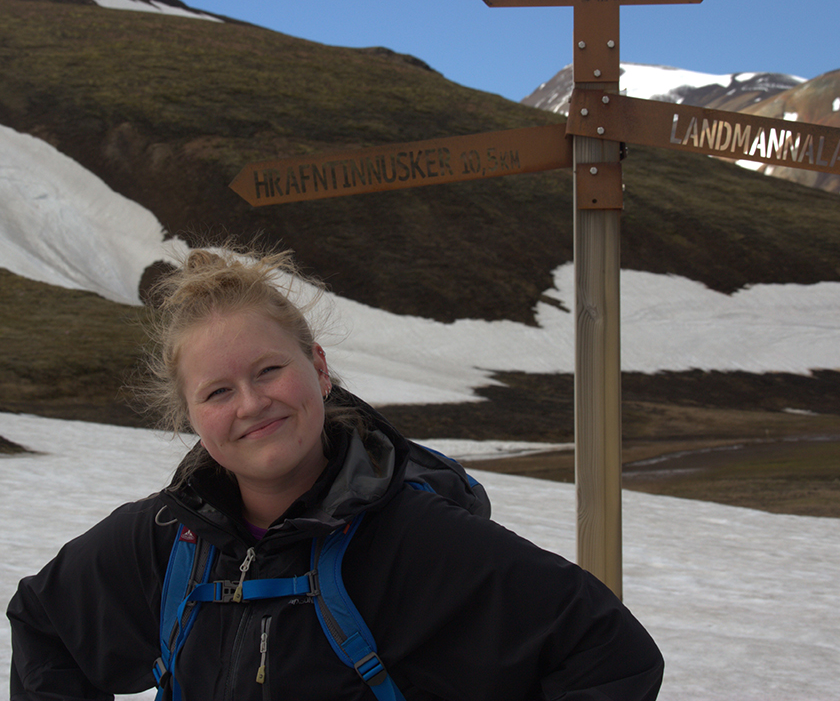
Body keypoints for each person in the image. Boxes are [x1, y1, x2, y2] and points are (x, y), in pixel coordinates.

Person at [7, 245, 664, 700]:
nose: (252, 403)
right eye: (217, 392)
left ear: (318, 370)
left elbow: (607, 652)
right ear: (189, 417)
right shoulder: (159, 540)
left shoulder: (420, 540)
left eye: (269, 371)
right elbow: (45, 621)